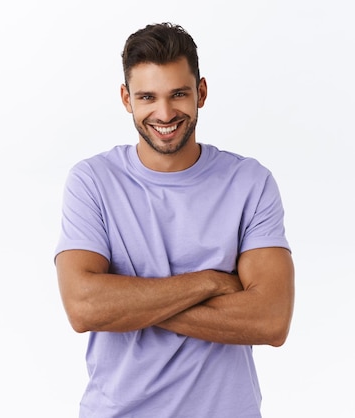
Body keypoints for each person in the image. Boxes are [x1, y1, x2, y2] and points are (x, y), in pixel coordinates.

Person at [54, 22, 295, 417]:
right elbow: (84, 308)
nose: (164, 113)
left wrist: (128, 305)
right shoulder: (93, 181)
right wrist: (211, 282)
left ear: (201, 92)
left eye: (178, 94)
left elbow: (270, 319)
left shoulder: (249, 182)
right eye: (147, 96)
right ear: (126, 98)